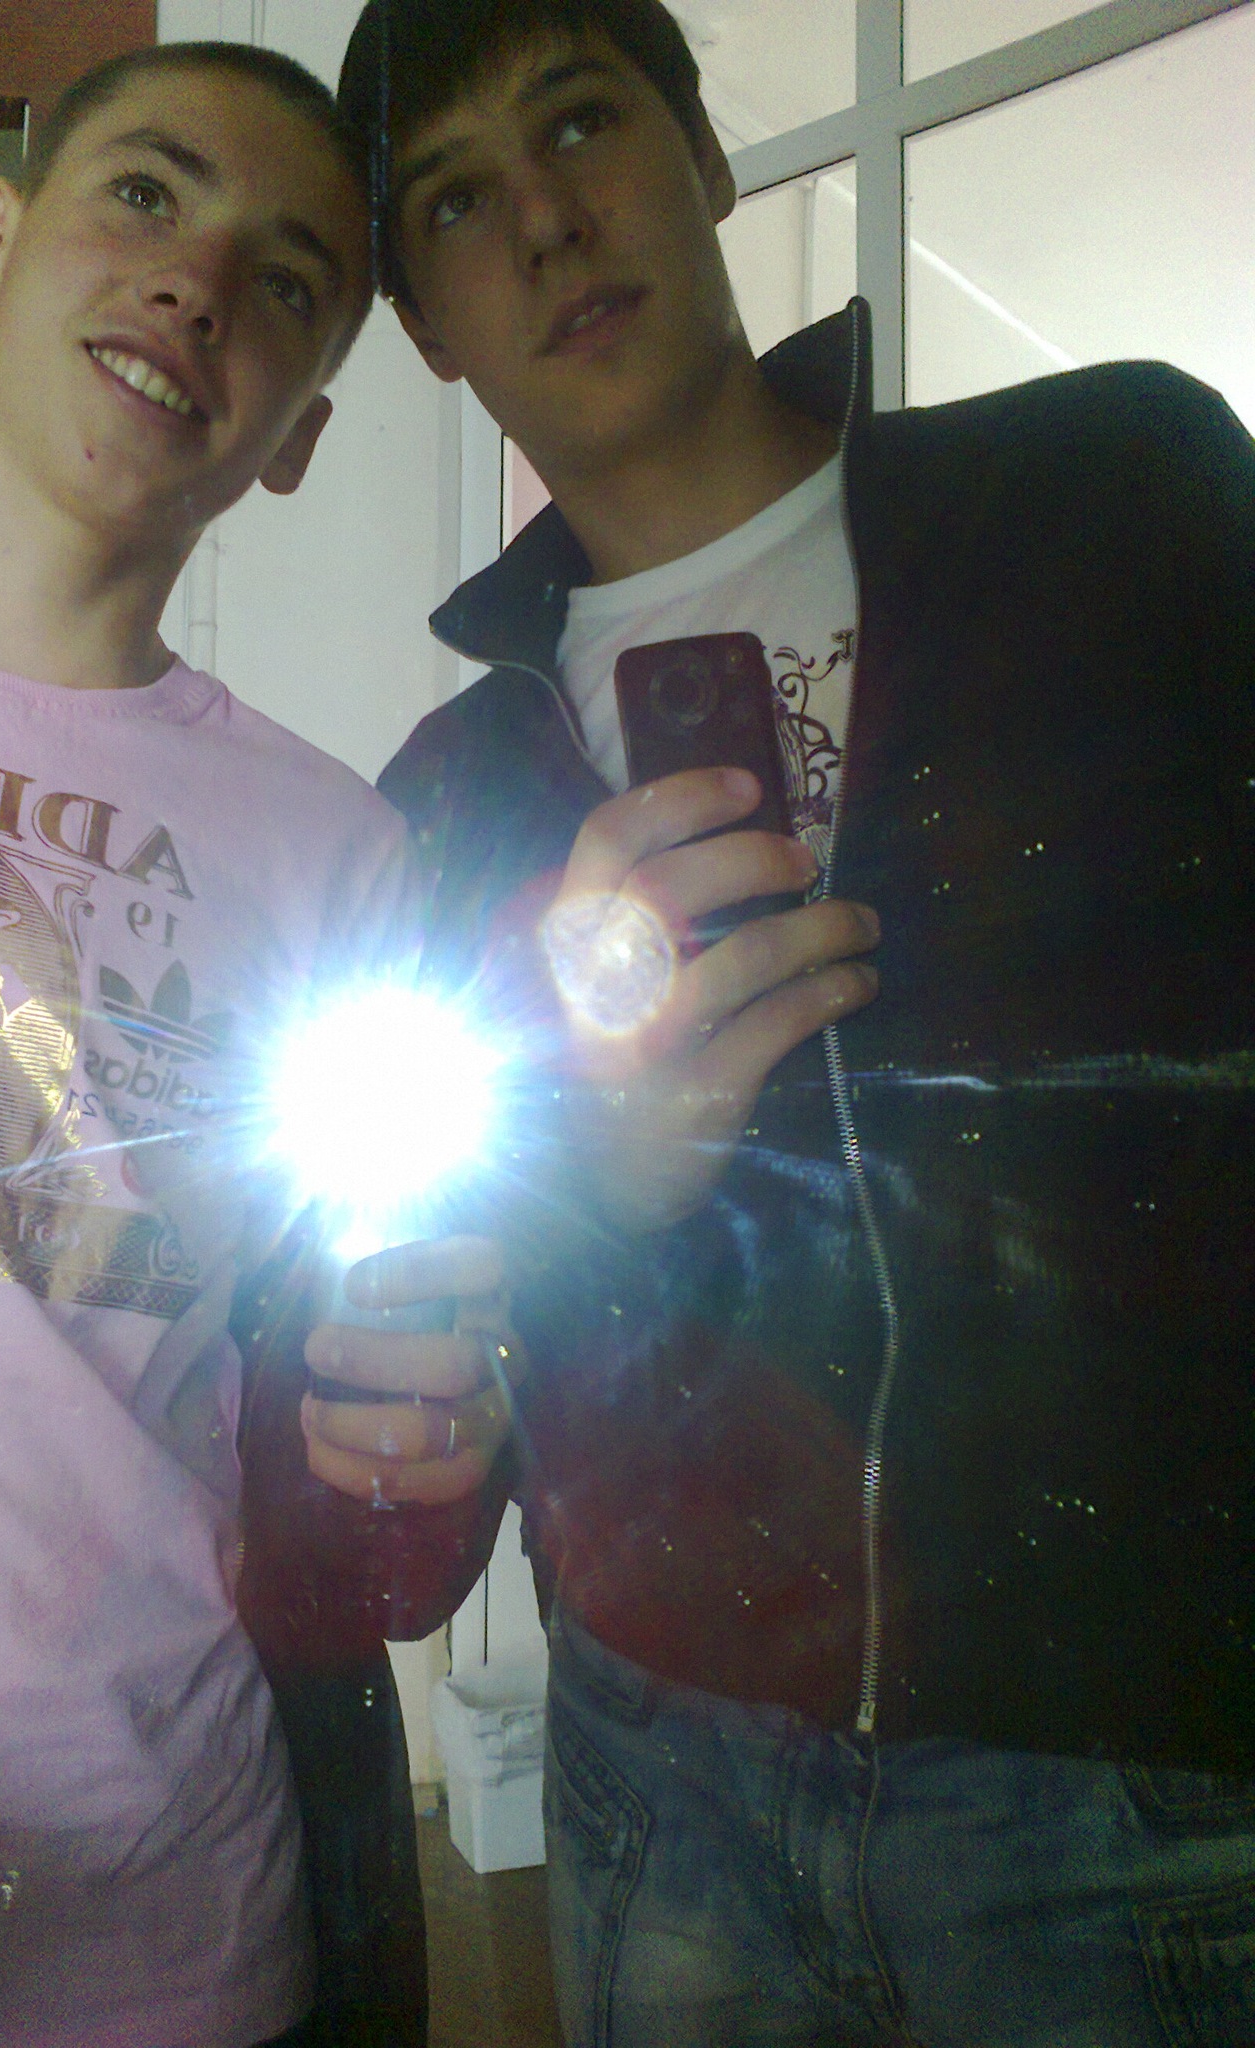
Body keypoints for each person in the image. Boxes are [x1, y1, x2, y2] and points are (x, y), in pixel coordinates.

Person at [336, 2, 1255, 2043]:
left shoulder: (1116, 495)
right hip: (661, 1769)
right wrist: (593, 1177)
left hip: (1147, 1752)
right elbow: (444, 1308)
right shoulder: (444, 802)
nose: (545, 222)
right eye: (458, 204)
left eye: (582, 124)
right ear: (427, 327)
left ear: (704, 151)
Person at [0, 41, 509, 2047]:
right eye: (145, 194)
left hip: (139, 1910)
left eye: (287, 277)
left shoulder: (337, 850)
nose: (197, 282)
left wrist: (428, 1448)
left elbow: (337, 1407)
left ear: (300, 433)